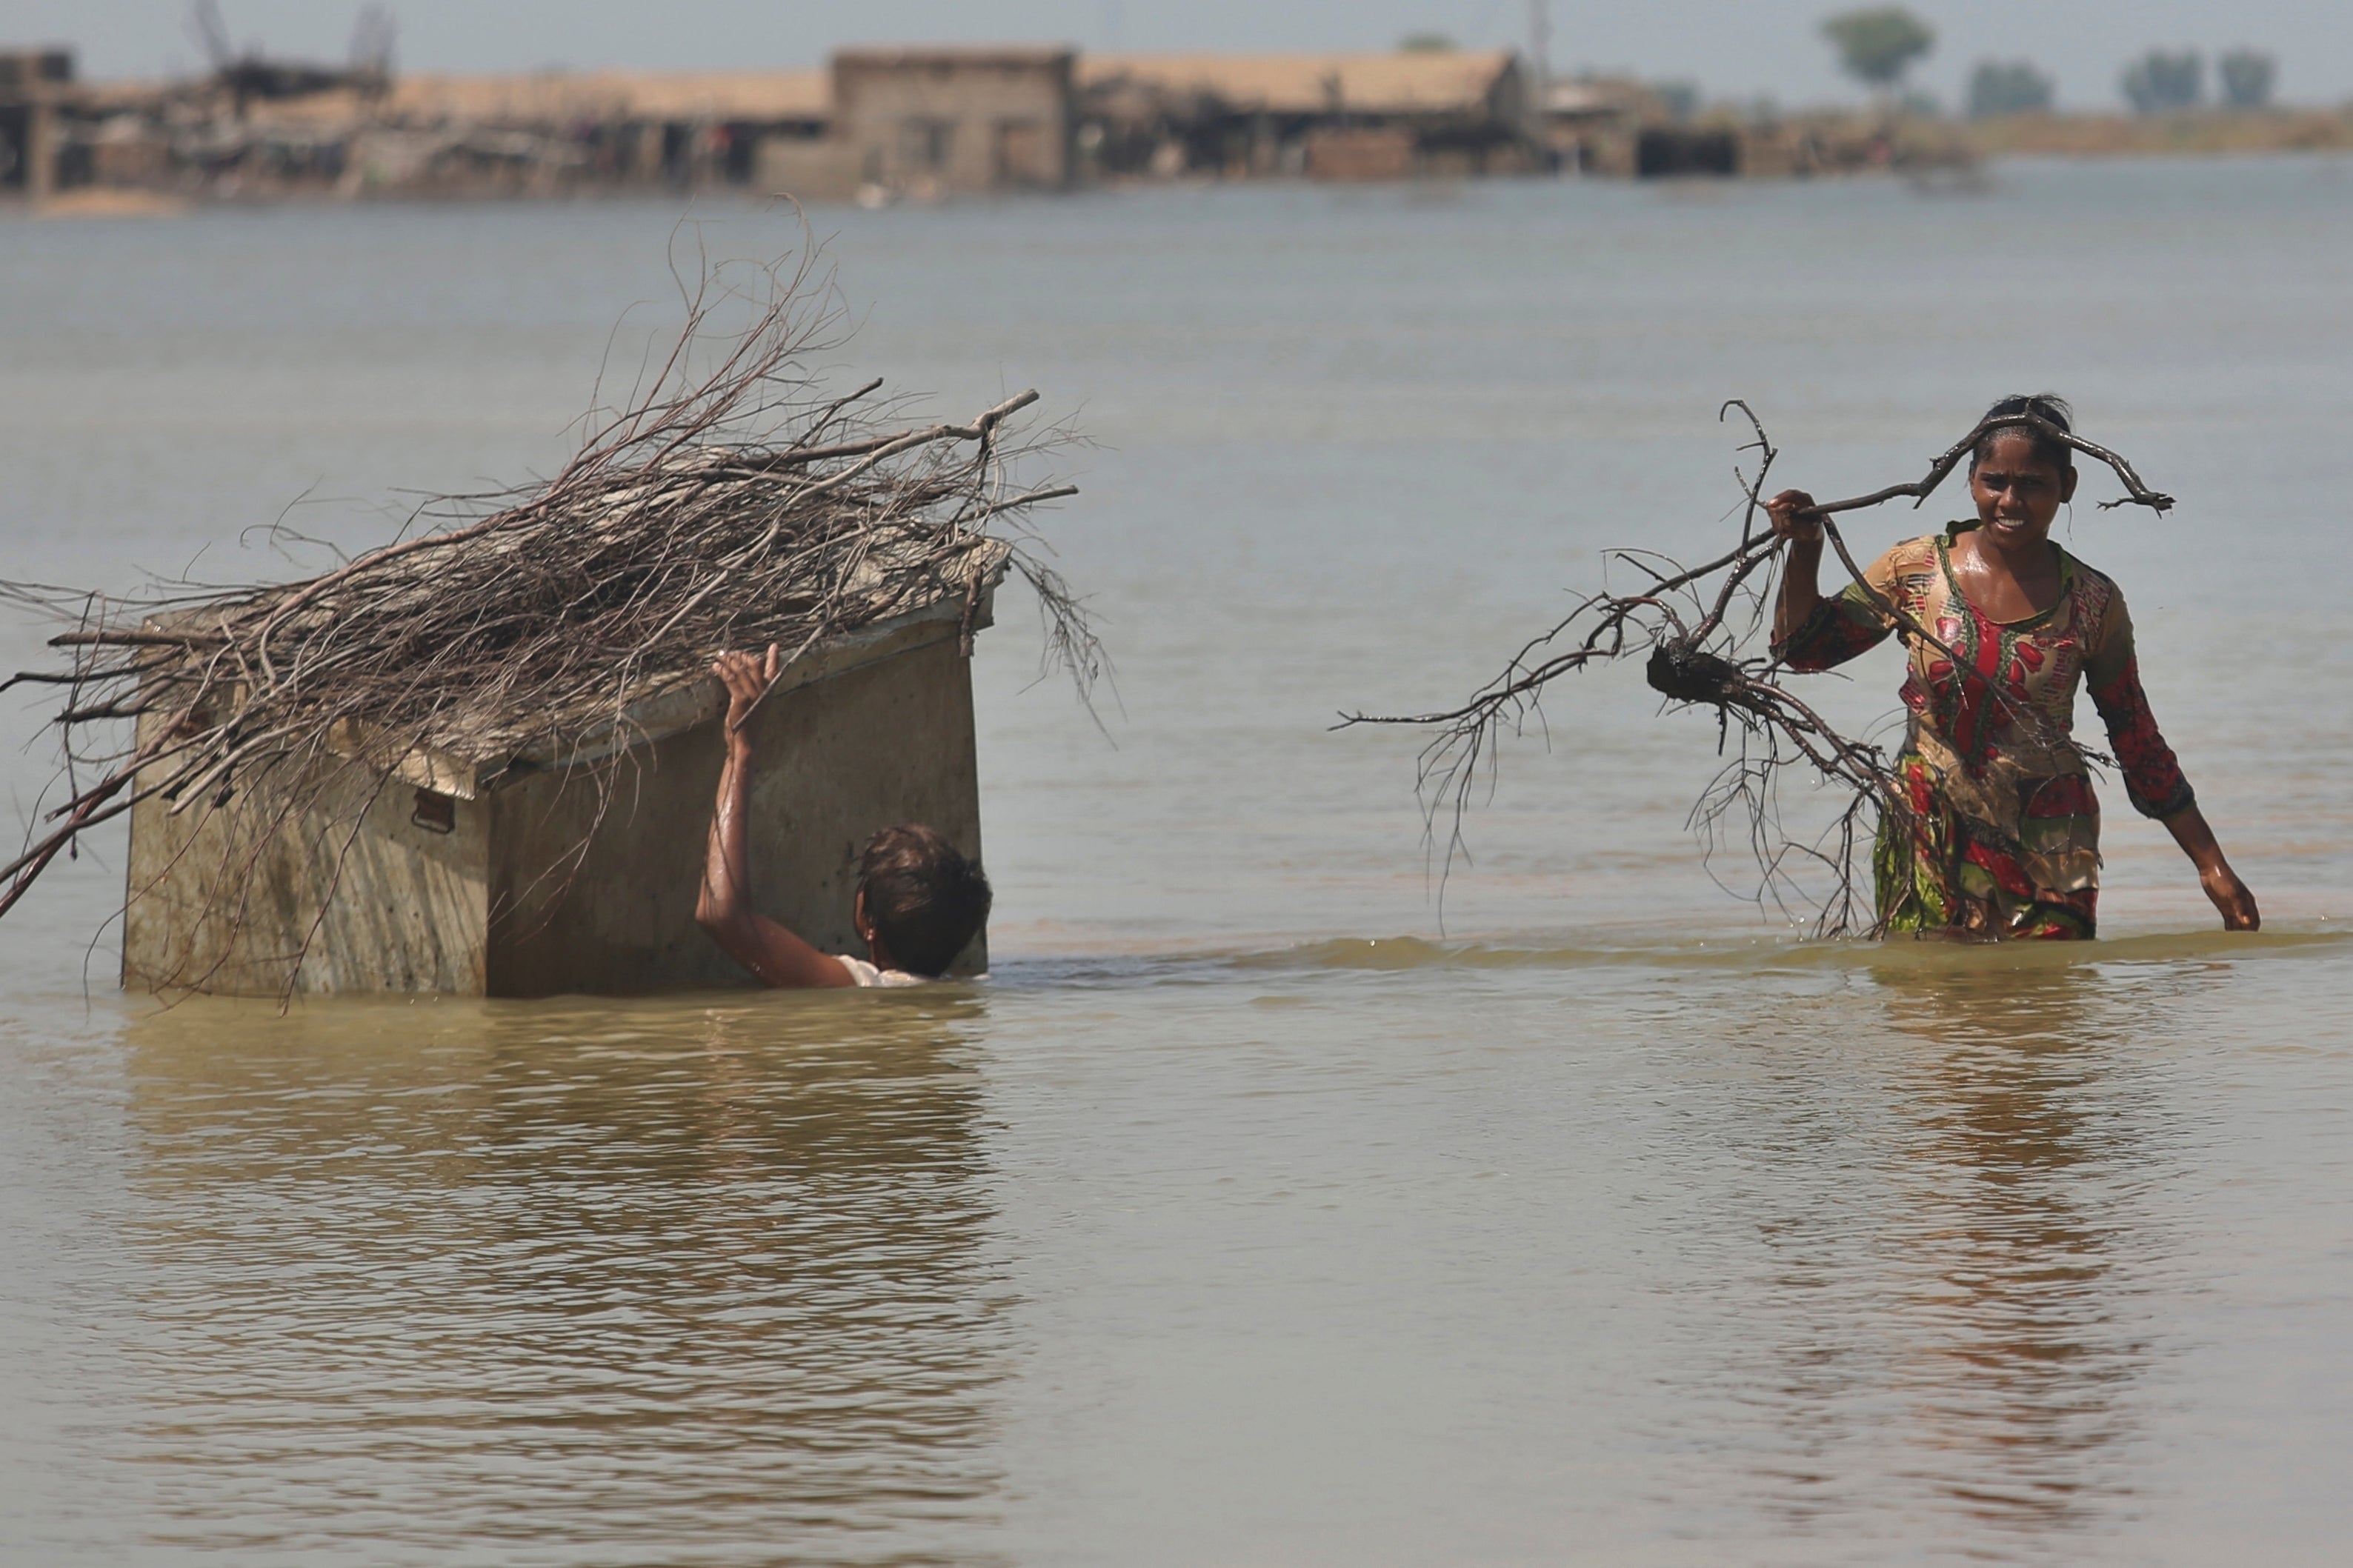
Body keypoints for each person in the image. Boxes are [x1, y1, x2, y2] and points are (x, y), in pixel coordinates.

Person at [1767, 393, 2257, 940]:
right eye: (1994, 480)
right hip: (1931, 827)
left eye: (2033, 484)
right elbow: (1804, 651)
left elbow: (2136, 737)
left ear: (2067, 487)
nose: (2010, 500)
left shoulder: (2094, 601)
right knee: (1927, 1007)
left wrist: (2211, 865)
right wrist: (1805, 549)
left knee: (2045, 1010)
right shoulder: (1916, 569)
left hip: (2051, 837)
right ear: (1971, 479)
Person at [695, 644, 993, 986]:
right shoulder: (957, 990)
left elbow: (722, 915)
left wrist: (742, 750)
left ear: (869, 926)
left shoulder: (865, 986)